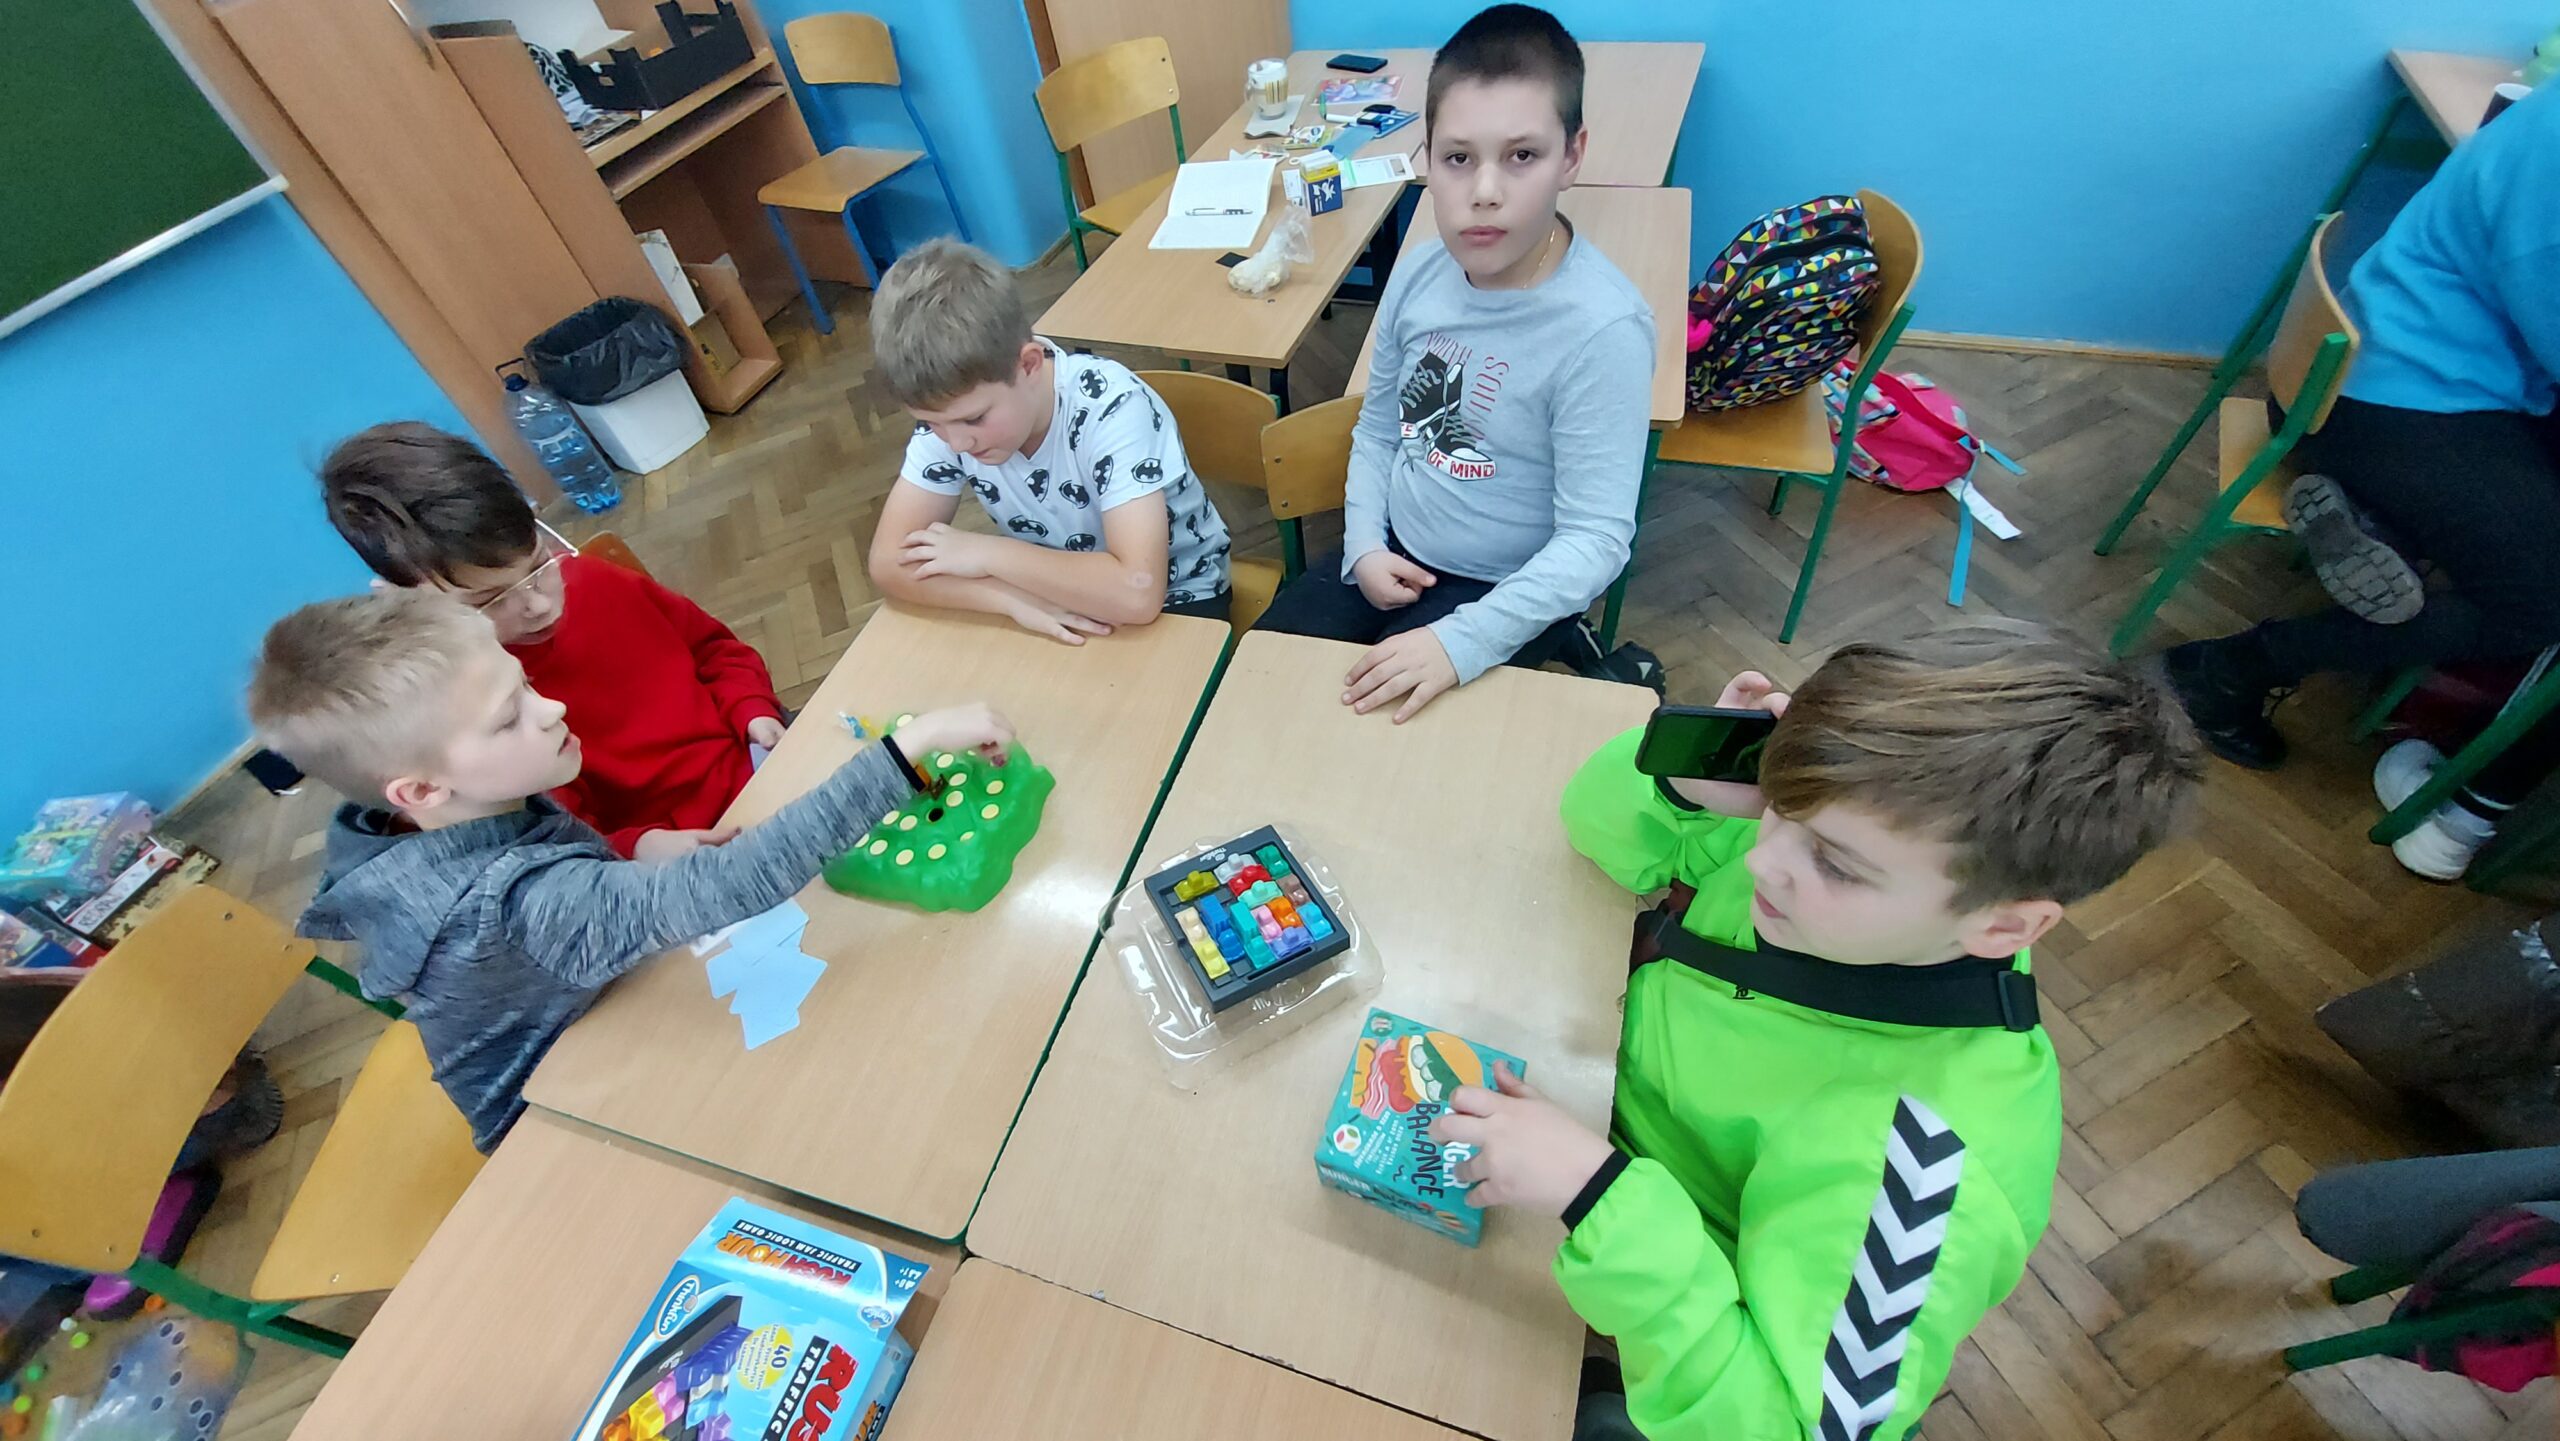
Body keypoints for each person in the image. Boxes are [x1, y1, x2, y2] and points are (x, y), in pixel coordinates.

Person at [1434, 624, 2205, 1441]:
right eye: (1779, 801)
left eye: (1836, 863)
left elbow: (1784, 1428)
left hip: (1646, 1275)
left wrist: (1597, 1195)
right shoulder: (1845, 851)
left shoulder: (1925, 1167)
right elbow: (1593, 826)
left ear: (2004, 926)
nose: (1763, 861)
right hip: (1594, 1114)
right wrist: (1684, 792)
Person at [248, 589, 1013, 1150]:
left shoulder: (428, 815)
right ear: (420, 791)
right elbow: (730, 885)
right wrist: (907, 749)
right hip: (565, 1128)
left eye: (524, 685)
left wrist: (630, 849)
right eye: (509, 717)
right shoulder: (514, 906)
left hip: (608, 1021)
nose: (551, 708)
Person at [2159, 82, 2560, 880]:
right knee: (2539, 604)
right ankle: (2225, 668)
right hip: (2398, 398)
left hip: (2370, 369)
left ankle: (2376, 522)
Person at [1250, 3, 1656, 722]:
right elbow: (1380, 429)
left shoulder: (1604, 331)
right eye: (1458, 158)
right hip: (1394, 544)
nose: (1485, 192)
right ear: (1427, 158)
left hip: (1504, 588)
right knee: (1261, 682)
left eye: (1522, 156)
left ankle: (1572, 650)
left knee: (1380, 745)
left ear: (1572, 156)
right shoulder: (1419, 273)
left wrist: (1461, 641)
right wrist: (1363, 545)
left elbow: (1595, 539)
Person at [321, 422, 785, 860]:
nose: (539, 604)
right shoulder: (476, 710)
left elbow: (714, 650)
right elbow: (554, 841)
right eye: (490, 599)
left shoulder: (594, 579)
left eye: (540, 565)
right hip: (673, 856)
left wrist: (753, 710)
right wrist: (638, 846)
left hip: (761, 760)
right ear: (404, 602)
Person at [865, 237, 1232, 638]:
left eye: (974, 419)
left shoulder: (1113, 408)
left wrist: (988, 553)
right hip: (1055, 595)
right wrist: (1009, 599)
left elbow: (1138, 594)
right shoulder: (950, 413)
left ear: (1028, 365)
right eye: (930, 423)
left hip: (1180, 601)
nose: (956, 444)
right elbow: (888, 563)